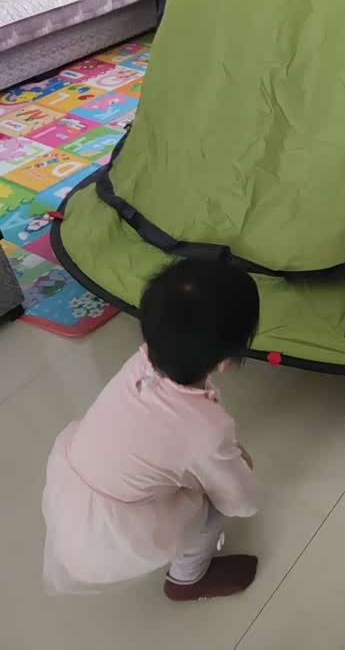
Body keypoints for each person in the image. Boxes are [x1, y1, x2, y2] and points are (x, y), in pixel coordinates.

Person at [41, 257, 260, 601]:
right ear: (224, 361)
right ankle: (187, 579)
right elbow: (237, 497)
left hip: (76, 493)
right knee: (215, 505)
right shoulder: (207, 430)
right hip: (117, 532)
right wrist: (242, 475)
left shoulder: (140, 361)